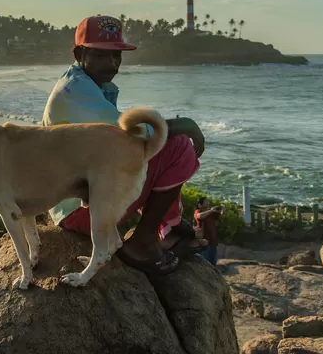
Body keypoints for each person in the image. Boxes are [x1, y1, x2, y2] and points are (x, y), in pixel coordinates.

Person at [42, 15, 206, 276]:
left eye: (117, 55)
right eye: (102, 55)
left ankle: (167, 228)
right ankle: (142, 243)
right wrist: (182, 123)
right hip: (79, 211)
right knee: (178, 146)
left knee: (157, 149)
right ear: (79, 53)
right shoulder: (76, 91)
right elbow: (132, 134)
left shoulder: (89, 84)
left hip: (82, 201)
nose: (113, 62)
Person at [194, 197, 224, 266]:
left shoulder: (211, 212)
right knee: (205, 263)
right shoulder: (198, 211)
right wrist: (211, 210)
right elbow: (199, 216)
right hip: (204, 241)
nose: (208, 203)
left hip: (213, 241)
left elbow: (221, 216)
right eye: (205, 202)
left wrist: (222, 209)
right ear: (200, 205)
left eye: (207, 201)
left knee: (213, 263)